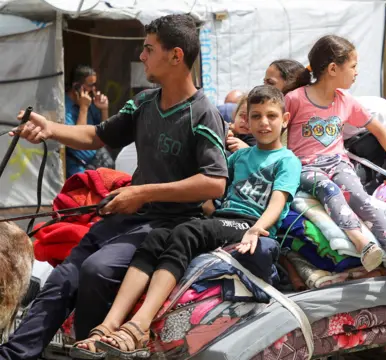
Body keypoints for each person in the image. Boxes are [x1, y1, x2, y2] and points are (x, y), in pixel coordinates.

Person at [2, 14, 229, 360]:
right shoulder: (144, 103)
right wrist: (48, 128)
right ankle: (14, 354)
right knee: (63, 278)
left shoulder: (203, 113)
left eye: (149, 49)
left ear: (176, 56)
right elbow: (96, 135)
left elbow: (214, 182)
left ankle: (92, 348)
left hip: (165, 225)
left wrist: (143, 192)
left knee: (95, 270)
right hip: (126, 216)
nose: (142, 56)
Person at [72, 85, 301, 358]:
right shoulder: (239, 156)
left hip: (249, 223)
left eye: (272, 116)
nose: (264, 122)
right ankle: (109, 323)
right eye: (257, 116)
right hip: (221, 219)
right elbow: (211, 190)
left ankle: (139, 326)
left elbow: (278, 200)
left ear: (285, 120)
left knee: (186, 232)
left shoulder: (287, 159)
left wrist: (257, 228)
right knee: (156, 237)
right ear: (247, 120)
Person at [286, 35, 386, 286]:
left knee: (360, 197)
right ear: (333, 69)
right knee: (330, 190)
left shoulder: (346, 101)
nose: (357, 72)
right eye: (354, 66)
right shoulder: (295, 99)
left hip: (338, 163)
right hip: (306, 167)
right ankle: (363, 243)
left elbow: (379, 129)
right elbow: (278, 131)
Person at [64, 65, 111, 178]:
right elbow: (78, 138)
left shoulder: (90, 103)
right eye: (91, 86)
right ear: (76, 86)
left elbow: (105, 133)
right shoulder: (65, 108)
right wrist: (83, 108)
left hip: (97, 163)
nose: (94, 90)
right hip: (78, 168)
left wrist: (103, 109)